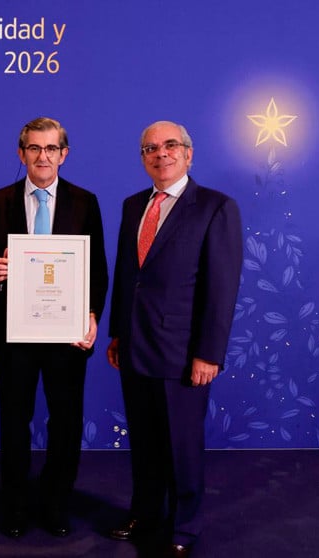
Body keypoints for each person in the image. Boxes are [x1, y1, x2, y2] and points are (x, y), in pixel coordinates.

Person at [106, 121, 243, 557]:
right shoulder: (132, 206)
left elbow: (221, 288)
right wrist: (115, 333)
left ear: (188, 153)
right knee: (144, 441)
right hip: (134, 345)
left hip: (184, 353)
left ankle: (184, 526)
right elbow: (127, 277)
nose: (160, 153)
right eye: (150, 147)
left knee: (181, 445)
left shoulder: (215, 207)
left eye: (170, 146)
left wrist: (209, 352)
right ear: (143, 157)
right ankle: (145, 513)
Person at [0, 116, 108, 538]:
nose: (43, 156)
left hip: (67, 335)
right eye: (34, 148)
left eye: (51, 149)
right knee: (15, 422)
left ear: (63, 155)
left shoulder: (86, 202)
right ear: (21, 154)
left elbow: (97, 270)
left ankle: (56, 504)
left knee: (66, 422)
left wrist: (91, 316)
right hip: (13, 336)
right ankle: (14, 506)